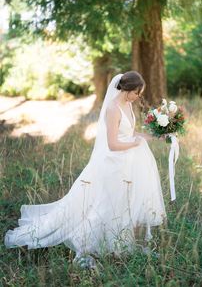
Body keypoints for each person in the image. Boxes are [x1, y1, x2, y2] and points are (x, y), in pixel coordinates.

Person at [4, 71, 166, 268]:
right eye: (137, 93)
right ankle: (85, 247)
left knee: (123, 205)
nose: (138, 97)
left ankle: (118, 243)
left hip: (127, 164)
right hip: (113, 164)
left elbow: (131, 133)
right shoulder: (113, 108)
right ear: (128, 90)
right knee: (104, 206)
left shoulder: (128, 105)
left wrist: (154, 136)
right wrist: (135, 143)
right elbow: (113, 144)